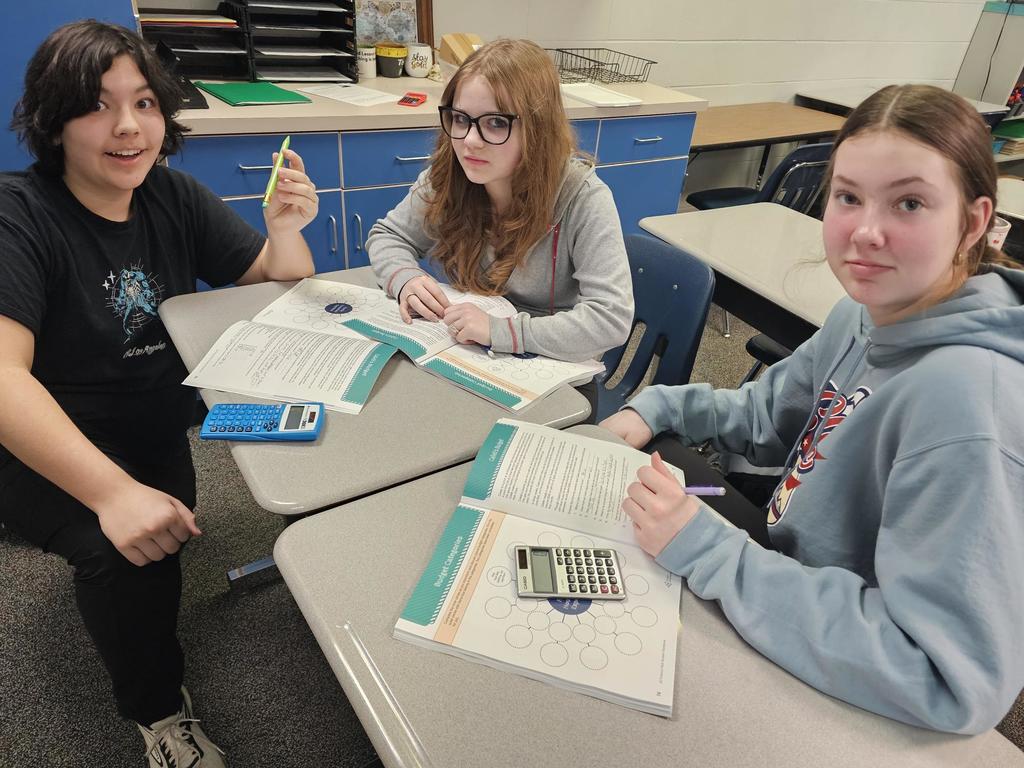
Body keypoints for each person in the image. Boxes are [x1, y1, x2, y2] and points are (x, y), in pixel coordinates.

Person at [601, 84, 1024, 734]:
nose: (866, 231)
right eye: (848, 197)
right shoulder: (864, 312)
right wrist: (658, 407)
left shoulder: (968, 403)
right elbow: (767, 416)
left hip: (841, 667)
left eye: (909, 203)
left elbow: (946, 676)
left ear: (971, 222)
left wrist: (716, 554)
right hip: (781, 565)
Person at [0, 21, 318, 766]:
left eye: (144, 103)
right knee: (128, 556)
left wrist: (284, 227)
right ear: (53, 121)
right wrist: (113, 495)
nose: (127, 127)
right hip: (46, 451)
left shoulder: (171, 195)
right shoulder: (19, 215)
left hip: (152, 431)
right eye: (97, 106)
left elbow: (276, 277)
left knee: (171, 529)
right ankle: (157, 716)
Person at [367, 38, 633, 416]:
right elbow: (388, 235)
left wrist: (499, 331)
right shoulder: (449, 177)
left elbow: (610, 320)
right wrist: (404, 278)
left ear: (537, 128)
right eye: (460, 119)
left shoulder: (583, 197)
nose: (469, 141)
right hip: (469, 361)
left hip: (552, 376)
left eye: (495, 123)